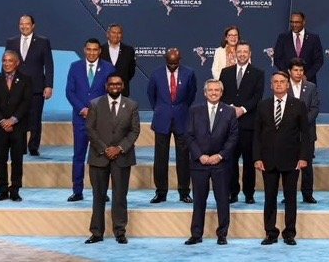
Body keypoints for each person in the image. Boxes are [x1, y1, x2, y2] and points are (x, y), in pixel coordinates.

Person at [253, 71, 312, 245]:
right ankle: (270, 233)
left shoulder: (298, 105)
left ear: (288, 85)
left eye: (282, 82)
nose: (279, 84)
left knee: (291, 198)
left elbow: (305, 135)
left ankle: (289, 233)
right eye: (275, 82)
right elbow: (257, 134)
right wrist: (257, 157)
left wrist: (303, 157)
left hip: (292, 160)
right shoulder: (263, 105)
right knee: (269, 198)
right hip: (268, 160)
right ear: (271, 85)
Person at [84, 75, 140, 245]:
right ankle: (97, 232)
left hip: (122, 157)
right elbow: (90, 129)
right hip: (99, 157)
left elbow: (134, 131)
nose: (114, 86)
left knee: (120, 196)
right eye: (111, 84)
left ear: (122, 86)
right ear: (106, 86)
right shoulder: (95, 104)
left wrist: (119, 148)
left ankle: (120, 232)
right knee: (98, 196)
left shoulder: (131, 105)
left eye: (118, 84)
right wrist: (104, 149)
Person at [184, 79, 240, 246]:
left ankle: (222, 234)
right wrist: (199, 155)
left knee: (222, 200)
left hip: (221, 164)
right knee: (199, 201)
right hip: (199, 163)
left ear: (221, 92)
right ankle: (196, 234)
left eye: (217, 90)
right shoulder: (194, 110)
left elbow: (233, 137)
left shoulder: (229, 111)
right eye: (211, 90)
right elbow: (188, 135)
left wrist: (220, 155)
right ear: (205, 92)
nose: (214, 92)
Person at [65, 38, 115, 202]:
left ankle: (101, 191)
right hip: (80, 119)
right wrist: (82, 109)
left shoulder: (108, 68)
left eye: (95, 50)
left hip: (101, 121)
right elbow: (70, 92)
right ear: (84, 50)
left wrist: (96, 111)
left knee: (101, 156)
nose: (92, 52)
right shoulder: (75, 67)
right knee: (78, 155)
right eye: (89, 49)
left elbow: (112, 93)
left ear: (100, 51)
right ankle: (77, 190)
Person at [146, 48, 197, 203]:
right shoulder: (156, 74)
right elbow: (151, 95)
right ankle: (161, 192)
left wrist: (180, 108)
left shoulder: (189, 73)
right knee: (160, 158)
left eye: (175, 63)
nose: (172, 66)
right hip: (162, 119)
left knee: (183, 158)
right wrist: (162, 109)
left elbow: (191, 94)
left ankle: (184, 192)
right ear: (165, 60)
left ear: (180, 60)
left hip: (182, 119)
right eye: (170, 63)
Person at [219, 41, 264, 204]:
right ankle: (233, 192)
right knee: (230, 161)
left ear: (250, 54)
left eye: (245, 51)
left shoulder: (258, 73)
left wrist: (242, 109)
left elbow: (257, 97)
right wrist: (231, 109)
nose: (242, 54)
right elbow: (220, 94)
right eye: (240, 51)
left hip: (248, 124)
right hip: (230, 124)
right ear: (235, 54)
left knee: (248, 161)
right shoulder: (225, 72)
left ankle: (249, 193)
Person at [5, 15, 54, 156]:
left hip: (37, 86)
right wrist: (5, 84)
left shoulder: (43, 42)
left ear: (33, 25)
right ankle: (19, 145)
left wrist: (49, 85)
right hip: (16, 87)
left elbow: (49, 65)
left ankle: (33, 146)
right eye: (21, 24)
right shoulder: (11, 42)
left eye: (27, 24)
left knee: (35, 118)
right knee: (17, 116)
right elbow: (6, 64)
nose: (24, 26)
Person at [0, 50, 30, 201]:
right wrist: (2, 121)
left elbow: (26, 102)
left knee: (17, 159)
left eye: (10, 60)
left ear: (17, 63)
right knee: (0, 160)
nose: (6, 63)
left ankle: (15, 190)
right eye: (4, 60)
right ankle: (2, 189)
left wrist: (13, 120)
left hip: (18, 128)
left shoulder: (26, 80)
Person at [288, 57, 320, 203]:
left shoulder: (311, 87)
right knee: (289, 166)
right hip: (288, 133)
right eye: (296, 70)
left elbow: (314, 108)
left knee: (307, 166)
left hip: (307, 133)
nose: (299, 73)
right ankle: (289, 195)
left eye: (301, 70)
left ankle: (307, 194)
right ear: (289, 71)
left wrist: (302, 123)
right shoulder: (284, 86)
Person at [273, 12, 323, 84]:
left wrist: (306, 76)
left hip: (308, 82)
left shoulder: (313, 39)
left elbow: (319, 61)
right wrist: (289, 75)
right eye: (292, 22)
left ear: (303, 22)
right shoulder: (283, 38)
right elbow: (277, 59)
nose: (294, 25)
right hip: (288, 82)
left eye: (297, 22)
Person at [101, 23, 136, 95]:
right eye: (113, 32)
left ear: (122, 35)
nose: (116, 35)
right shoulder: (100, 50)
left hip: (122, 93)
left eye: (119, 33)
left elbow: (131, 72)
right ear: (107, 34)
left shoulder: (129, 50)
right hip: (103, 93)